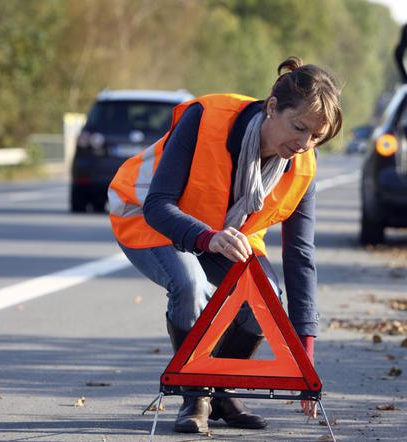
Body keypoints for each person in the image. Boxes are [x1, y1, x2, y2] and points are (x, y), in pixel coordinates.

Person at [107, 56, 342, 433]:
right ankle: (195, 398)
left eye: (316, 137)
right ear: (271, 108)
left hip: (223, 234)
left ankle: (219, 389)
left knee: (265, 297)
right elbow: (158, 205)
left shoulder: (303, 166)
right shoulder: (205, 119)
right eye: (299, 128)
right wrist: (209, 238)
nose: (304, 144)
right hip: (149, 218)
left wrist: (305, 350)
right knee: (189, 283)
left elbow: (300, 254)